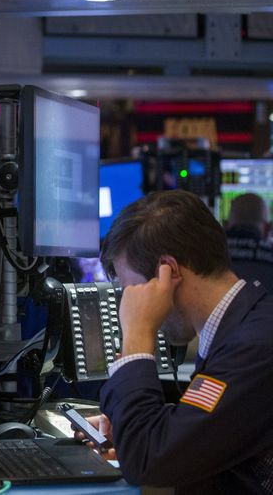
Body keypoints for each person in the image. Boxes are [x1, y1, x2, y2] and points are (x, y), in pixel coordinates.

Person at [79, 190, 273, 492]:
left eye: (133, 290)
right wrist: (136, 428)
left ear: (168, 270)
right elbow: (207, 431)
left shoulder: (253, 347)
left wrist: (137, 336)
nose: (129, 304)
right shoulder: (243, 325)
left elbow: (149, 464)